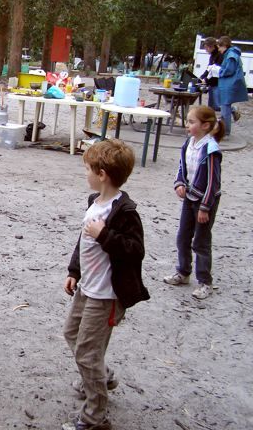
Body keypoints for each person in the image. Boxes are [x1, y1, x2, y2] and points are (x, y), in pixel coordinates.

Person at [63, 139, 150, 430]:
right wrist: (74, 270)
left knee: (87, 351)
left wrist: (105, 235)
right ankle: (102, 376)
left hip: (107, 295)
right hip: (88, 287)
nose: (84, 174)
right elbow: (83, 240)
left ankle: (95, 416)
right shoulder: (94, 202)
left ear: (102, 174)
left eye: (88, 169)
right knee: (72, 333)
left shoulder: (124, 212)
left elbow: (135, 249)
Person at [164, 105, 224, 300]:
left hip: (205, 201)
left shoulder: (211, 148)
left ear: (205, 125)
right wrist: (179, 182)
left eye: (191, 122)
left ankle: (205, 281)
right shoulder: (189, 143)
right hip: (189, 197)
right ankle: (183, 271)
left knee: (201, 241)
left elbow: (213, 182)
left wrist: (205, 207)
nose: (187, 125)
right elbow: (182, 165)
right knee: (183, 236)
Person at [217, 36, 248, 137]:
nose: (219, 50)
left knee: (225, 108)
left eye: (220, 47)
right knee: (224, 106)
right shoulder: (230, 54)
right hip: (228, 84)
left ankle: (225, 132)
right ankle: (225, 129)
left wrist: (219, 72)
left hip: (229, 84)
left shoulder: (231, 55)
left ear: (225, 45)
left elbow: (229, 70)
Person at [199, 37, 223, 112]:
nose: (206, 50)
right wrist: (202, 77)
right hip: (211, 84)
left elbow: (215, 71)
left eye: (206, 48)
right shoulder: (212, 56)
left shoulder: (219, 55)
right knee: (211, 107)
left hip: (217, 83)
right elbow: (209, 68)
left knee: (217, 105)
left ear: (211, 46)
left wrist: (206, 79)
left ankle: (232, 109)